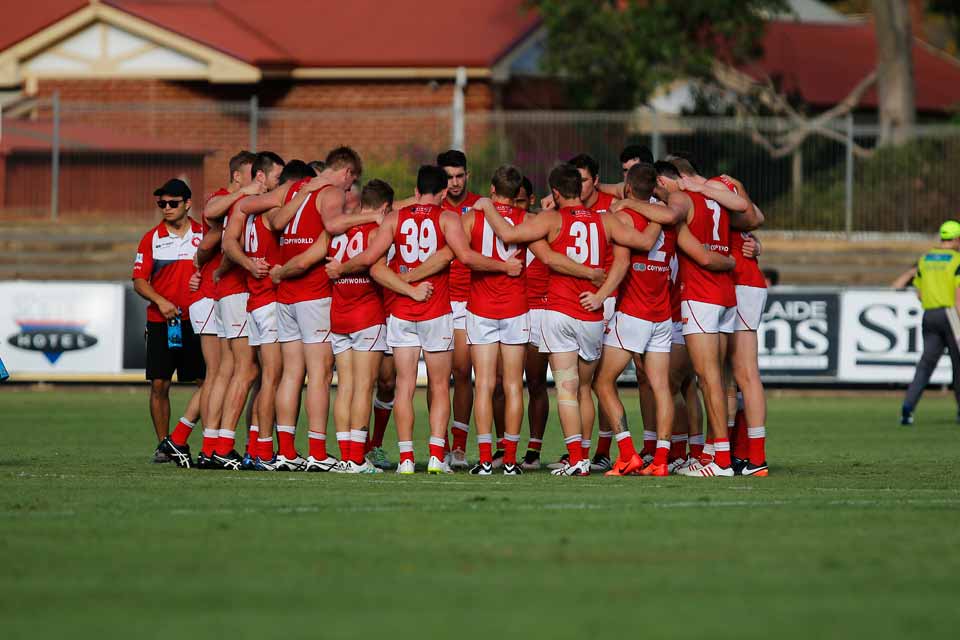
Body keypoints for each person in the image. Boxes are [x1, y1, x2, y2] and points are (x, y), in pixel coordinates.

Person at [325, 165, 521, 475]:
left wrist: (343, 268)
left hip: (402, 312)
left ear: (416, 191)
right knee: (440, 385)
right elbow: (466, 257)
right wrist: (503, 266)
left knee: (404, 386)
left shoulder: (395, 218)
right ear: (443, 192)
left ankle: (405, 459)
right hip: (435, 311)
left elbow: (371, 262)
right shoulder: (448, 218)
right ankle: (435, 456)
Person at [478, 163, 666, 476]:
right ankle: (594, 455)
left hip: (560, 311)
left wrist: (487, 206)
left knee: (566, 388)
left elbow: (508, 233)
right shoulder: (606, 219)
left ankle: (577, 459)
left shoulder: (550, 218)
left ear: (555, 192)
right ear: (580, 189)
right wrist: (601, 294)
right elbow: (636, 250)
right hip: (591, 314)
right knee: (586, 388)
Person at [269, 146, 367, 472]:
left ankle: (286, 452)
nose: (349, 190)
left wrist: (281, 273)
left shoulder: (296, 188)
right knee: (320, 375)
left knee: (291, 373)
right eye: (351, 182)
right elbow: (334, 226)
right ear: (347, 172)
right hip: (313, 294)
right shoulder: (331, 192)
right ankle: (318, 453)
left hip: (286, 297)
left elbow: (275, 222)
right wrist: (371, 216)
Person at [222, 159, 318, 470]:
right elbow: (277, 226)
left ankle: (255, 448)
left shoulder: (251, 209)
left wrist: (247, 263)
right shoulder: (271, 209)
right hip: (268, 300)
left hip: (256, 301)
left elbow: (229, 242)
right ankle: (265, 450)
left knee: (267, 379)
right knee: (273, 380)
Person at [192, 151, 257, 468]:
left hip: (223, 293)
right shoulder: (228, 199)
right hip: (230, 292)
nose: (259, 181)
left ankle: (210, 445)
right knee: (242, 370)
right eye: (253, 175)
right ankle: (220, 445)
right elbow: (209, 220)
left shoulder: (243, 202)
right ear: (237, 176)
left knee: (224, 371)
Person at [135, 179, 205, 467]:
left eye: (172, 203)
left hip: (199, 321)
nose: (166, 208)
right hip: (161, 321)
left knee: (207, 383)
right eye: (161, 203)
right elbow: (139, 280)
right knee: (159, 384)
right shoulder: (151, 238)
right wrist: (161, 301)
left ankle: (209, 442)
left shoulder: (205, 234)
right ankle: (165, 446)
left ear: (188, 204)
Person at [437, 150, 482, 468]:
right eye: (448, 177)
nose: (454, 182)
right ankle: (437, 445)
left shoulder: (480, 206)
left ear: (468, 175)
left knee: (463, 372)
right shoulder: (431, 208)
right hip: (437, 298)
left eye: (459, 176)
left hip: (468, 300)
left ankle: (459, 447)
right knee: (439, 376)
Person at [901, 220, 960, 426]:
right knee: (958, 365)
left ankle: (908, 408)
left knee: (926, 364)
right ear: (956, 238)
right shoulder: (957, 260)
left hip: (929, 314)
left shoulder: (925, 259)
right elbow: (958, 297)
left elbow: (919, 293)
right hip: (951, 314)